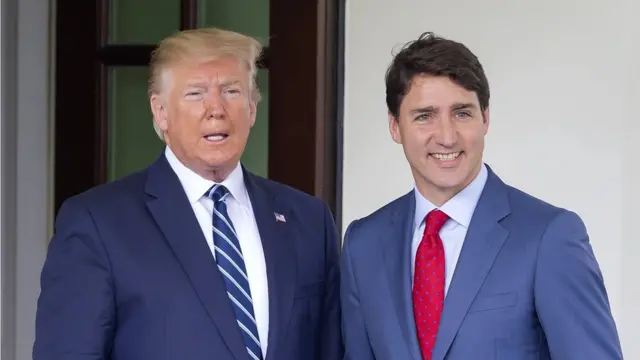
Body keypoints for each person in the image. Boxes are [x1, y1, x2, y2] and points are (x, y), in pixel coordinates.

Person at [34, 27, 343, 360]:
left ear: (252, 109)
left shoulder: (309, 220)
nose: (216, 109)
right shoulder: (97, 224)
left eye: (232, 91)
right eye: (196, 93)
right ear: (161, 112)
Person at [340, 32, 622, 360]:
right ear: (394, 127)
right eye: (424, 116)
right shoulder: (363, 245)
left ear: (485, 118)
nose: (446, 137)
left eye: (462, 113)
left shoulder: (550, 236)